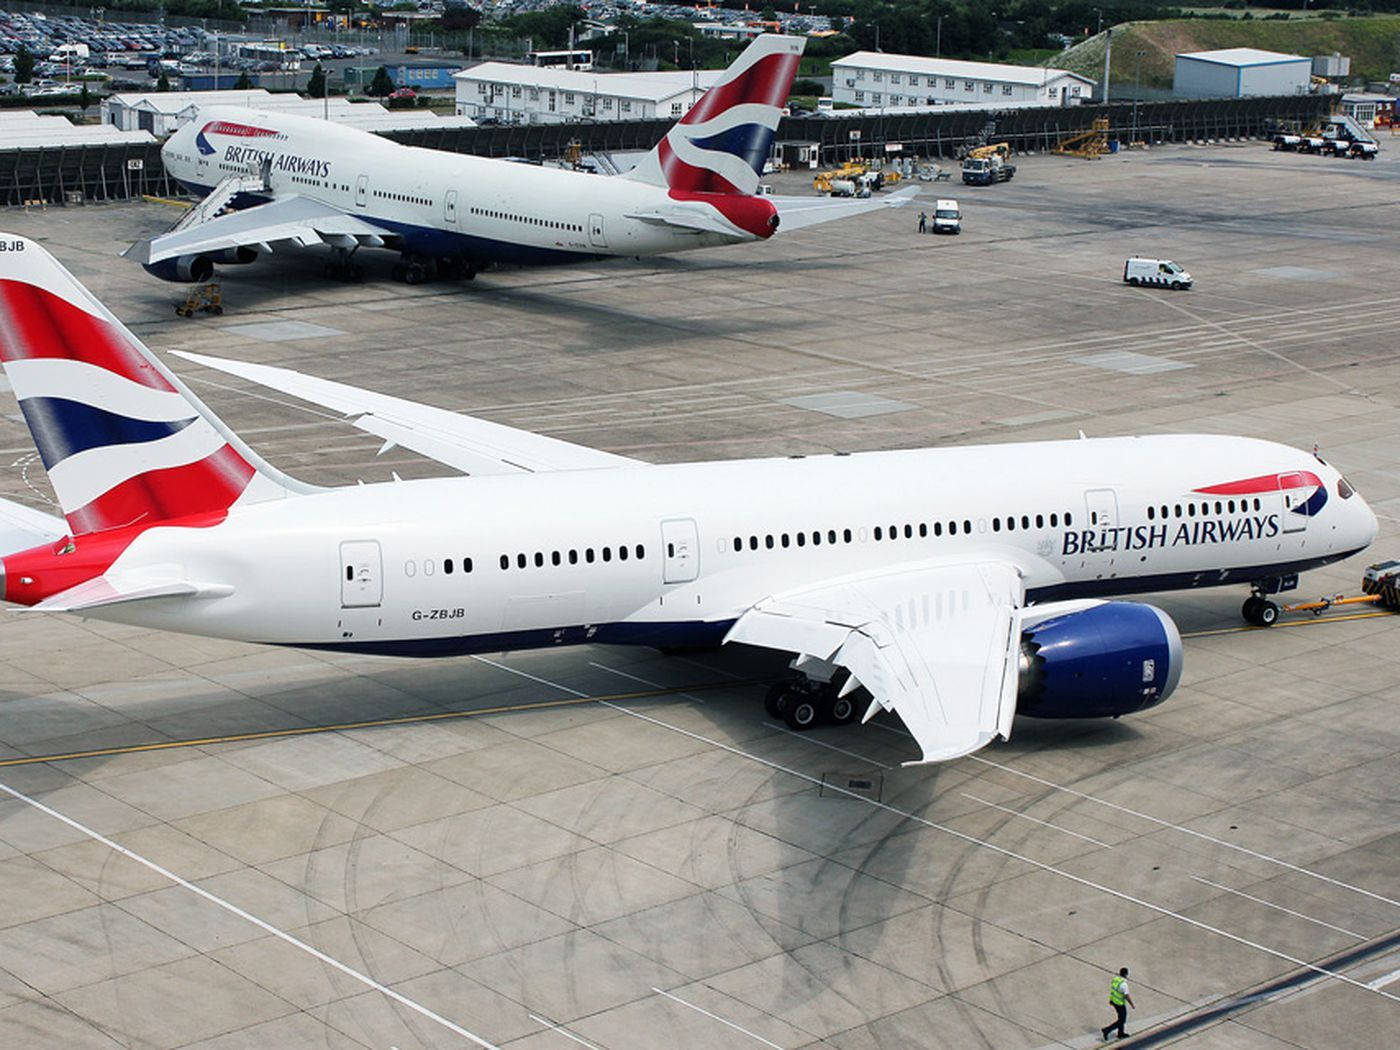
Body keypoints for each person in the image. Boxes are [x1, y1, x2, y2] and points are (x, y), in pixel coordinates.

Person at [1101, 967, 1135, 1040]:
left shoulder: (1115, 979)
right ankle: (1107, 1030)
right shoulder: (1124, 984)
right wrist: (1132, 1004)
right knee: (1122, 1020)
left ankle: (1120, 1033)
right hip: (1120, 1004)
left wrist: (1111, 1000)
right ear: (1126, 974)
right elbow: (1126, 996)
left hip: (1114, 1001)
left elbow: (1113, 990)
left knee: (1121, 1018)